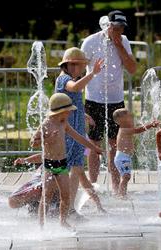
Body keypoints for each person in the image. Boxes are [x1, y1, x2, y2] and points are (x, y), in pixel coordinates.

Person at [81, 10, 137, 194]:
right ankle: (93, 185)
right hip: (93, 98)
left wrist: (119, 46)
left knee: (115, 144)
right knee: (94, 143)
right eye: (116, 27)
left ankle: (115, 185)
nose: (119, 30)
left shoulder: (124, 40)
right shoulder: (90, 41)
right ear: (108, 25)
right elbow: (79, 68)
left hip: (115, 99)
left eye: (122, 28)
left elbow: (132, 69)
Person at [31, 93, 103, 228]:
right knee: (46, 196)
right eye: (68, 111)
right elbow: (33, 143)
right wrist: (48, 139)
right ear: (60, 111)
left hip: (62, 164)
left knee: (66, 196)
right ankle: (41, 225)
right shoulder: (46, 124)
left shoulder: (63, 123)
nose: (70, 114)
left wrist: (93, 148)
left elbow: (78, 137)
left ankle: (63, 221)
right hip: (50, 165)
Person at [55, 47, 106, 218]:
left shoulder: (70, 79)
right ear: (69, 65)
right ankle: (68, 209)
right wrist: (93, 73)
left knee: (80, 173)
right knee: (76, 169)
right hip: (69, 133)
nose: (83, 69)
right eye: (80, 66)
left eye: (84, 66)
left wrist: (83, 114)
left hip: (76, 129)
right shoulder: (64, 79)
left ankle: (98, 206)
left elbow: (69, 102)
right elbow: (75, 88)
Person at [113, 108, 159, 198]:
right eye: (130, 117)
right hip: (122, 158)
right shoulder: (124, 129)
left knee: (126, 177)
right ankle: (121, 194)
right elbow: (138, 130)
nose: (132, 119)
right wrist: (151, 125)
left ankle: (122, 193)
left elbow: (138, 127)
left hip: (124, 157)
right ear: (122, 121)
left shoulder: (126, 128)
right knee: (126, 176)